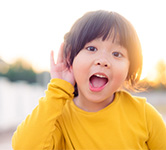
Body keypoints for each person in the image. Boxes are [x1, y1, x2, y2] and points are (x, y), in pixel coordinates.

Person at [12, 10, 166, 150]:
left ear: (129, 68)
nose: (102, 60)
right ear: (70, 57)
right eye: (91, 49)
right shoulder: (57, 117)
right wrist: (58, 88)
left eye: (117, 54)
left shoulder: (144, 115)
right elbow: (23, 147)